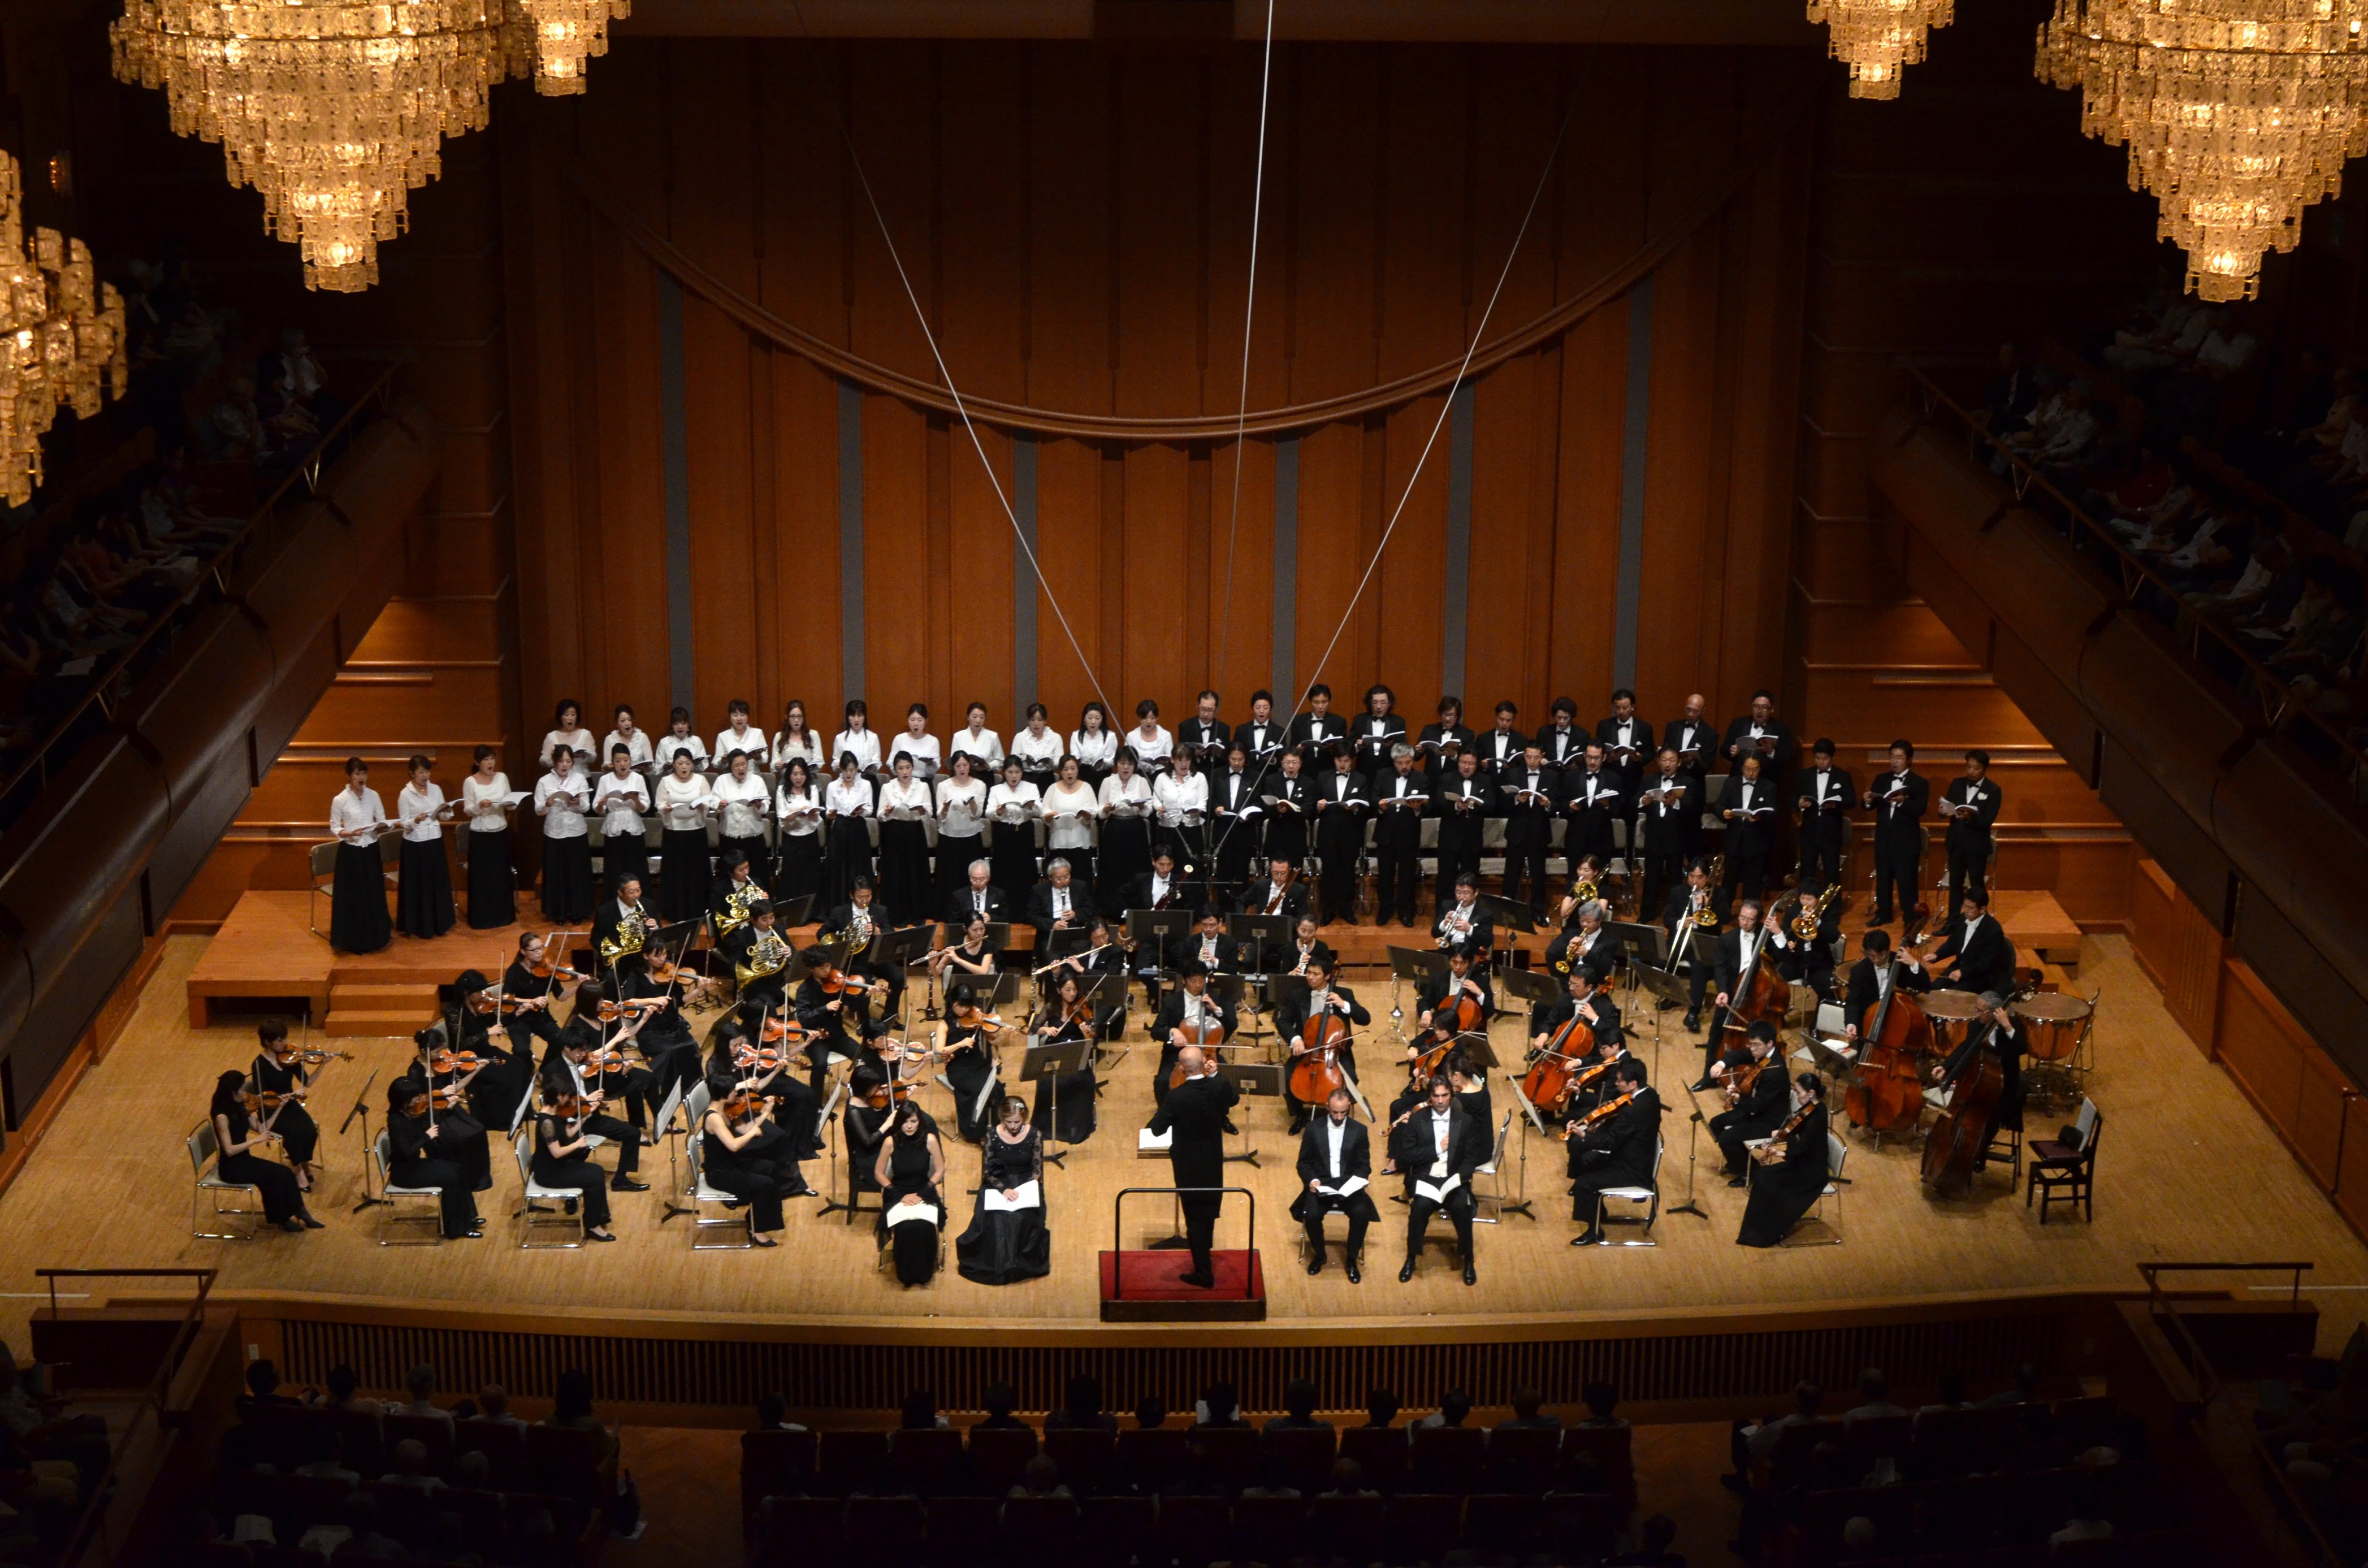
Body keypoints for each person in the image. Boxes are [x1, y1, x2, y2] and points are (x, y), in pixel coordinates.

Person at [1147, 1042, 1240, 1287]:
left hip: (1187, 1165)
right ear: (1203, 1064)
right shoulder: (1219, 1085)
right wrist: (1216, 1074)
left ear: (1181, 1068)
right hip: (1212, 1161)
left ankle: (1204, 1272)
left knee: (1194, 1218)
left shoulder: (1176, 1096)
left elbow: (1156, 1130)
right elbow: (1234, 1098)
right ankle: (1204, 1259)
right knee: (1208, 1212)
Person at [1388, 1075, 1485, 1285]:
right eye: (1436, 1096)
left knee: (1462, 1208)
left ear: (1451, 1095)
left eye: (1445, 1096)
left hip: (1454, 1179)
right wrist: (1437, 1148)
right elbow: (1407, 1156)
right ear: (1430, 1097)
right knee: (1419, 1210)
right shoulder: (1417, 1119)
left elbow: (1471, 1158)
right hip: (1427, 1179)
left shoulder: (1465, 1121)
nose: (1441, 1101)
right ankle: (1411, 1257)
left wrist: (1460, 1178)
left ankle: (1468, 1258)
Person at [207, 1069, 321, 1232]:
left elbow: (263, 1128)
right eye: (243, 1089)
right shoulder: (222, 1117)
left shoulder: (241, 1107)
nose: (246, 1092)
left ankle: (296, 1214)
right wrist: (255, 1141)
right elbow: (229, 1150)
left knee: (284, 1173)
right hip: (232, 1168)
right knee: (275, 1175)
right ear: (233, 1092)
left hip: (245, 1161)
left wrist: (280, 1106)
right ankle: (287, 1217)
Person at [956, 1095, 1051, 1285]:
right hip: (998, 1184)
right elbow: (987, 1172)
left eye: (1017, 1122)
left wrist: (1023, 1190)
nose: (1014, 1126)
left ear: (1024, 1117)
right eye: (1009, 1122)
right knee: (999, 1218)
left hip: (1025, 1184)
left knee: (1021, 1217)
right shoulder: (992, 1136)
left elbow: (1037, 1170)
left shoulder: (1035, 1135)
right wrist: (1004, 1190)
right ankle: (1001, 1266)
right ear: (1002, 1118)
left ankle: (1019, 1266)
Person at [1566, 1060, 1659, 1246]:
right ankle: (1599, 1211)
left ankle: (1594, 1231)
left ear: (1633, 1084)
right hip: (1640, 1158)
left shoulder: (1632, 1111)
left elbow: (1610, 1142)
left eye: (1620, 1081)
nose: (1617, 1084)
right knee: (1586, 1161)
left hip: (1631, 1170)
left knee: (1584, 1183)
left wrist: (1584, 1134)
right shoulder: (1652, 1096)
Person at [1292, 1088, 1377, 1281]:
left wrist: (1358, 1181)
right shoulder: (1314, 1129)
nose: (1339, 1117)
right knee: (1312, 1215)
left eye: (1343, 1112)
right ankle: (1320, 1256)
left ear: (1349, 1107)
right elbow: (1303, 1163)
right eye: (1334, 1112)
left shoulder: (1359, 1130)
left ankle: (1351, 1259)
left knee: (1361, 1214)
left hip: (1348, 1185)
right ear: (1327, 1107)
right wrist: (1312, 1181)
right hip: (1323, 1183)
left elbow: (1364, 1166)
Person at [1737, 1072, 1830, 1248]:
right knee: (1762, 1177)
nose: (1796, 1095)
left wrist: (1778, 1153)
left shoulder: (1817, 1116)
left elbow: (1803, 1147)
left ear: (1811, 1093)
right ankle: (1758, 1228)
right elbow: (1795, 1134)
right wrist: (1777, 1141)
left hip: (1811, 1171)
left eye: (1799, 1092)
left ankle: (1767, 1231)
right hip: (1802, 1161)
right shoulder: (1810, 1108)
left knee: (1767, 1182)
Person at [1276, 958, 1369, 1132]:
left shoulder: (1345, 994)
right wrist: (1296, 1039)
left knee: (1350, 1079)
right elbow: (1283, 1022)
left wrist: (1344, 1005)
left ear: (1327, 976)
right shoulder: (1298, 995)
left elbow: (1365, 1019)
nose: (1310, 977)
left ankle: (1338, 1114)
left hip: (1336, 1054)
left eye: (1316, 974)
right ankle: (1300, 1115)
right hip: (1307, 1051)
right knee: (1286, 1077)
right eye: (1309, 972)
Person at [385, 1077, 483, 1240]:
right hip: (405, 1173)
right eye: (415, 1097)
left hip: (414, 1166)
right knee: (451, 1178)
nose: (420, 1099)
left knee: (458, 1168)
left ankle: (468, 1218)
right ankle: (456, 1228)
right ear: (403, 1100)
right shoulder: (396, 1121)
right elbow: (407, 1152)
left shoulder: (409, 1113)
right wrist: (426, 1137)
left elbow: (429, 1126)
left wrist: (447, 1109)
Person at [700, 1085, 789, 1246]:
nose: (737, 1093)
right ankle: (757, 1231)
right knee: (765, 1185)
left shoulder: (727, 1109)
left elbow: (747, 1128)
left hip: (732, 1164)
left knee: (771, 1168)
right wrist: (752, 1134)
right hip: (720, 1173)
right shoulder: (714, 1118)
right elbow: (734, 1145)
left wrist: (766, 1112)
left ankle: (756, 1218)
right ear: (723, 1094)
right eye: (733, 1091)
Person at [876, 1099, 946, 1287]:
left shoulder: (929, 1139)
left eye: (914, 1121)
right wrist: (899, 1195)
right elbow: (879, 1173)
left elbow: (940, 1170)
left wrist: (924, 1191)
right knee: (906, 1228)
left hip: (924, 1189)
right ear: (899, 1122)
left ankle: (925, 1273)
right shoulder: (890, 1142)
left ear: (920, 1121)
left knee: (923, 1226)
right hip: (898, 1191)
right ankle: (906, 1274)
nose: (909, 1126)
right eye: (906, 1122)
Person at [1709, 1023, 1789, 1184]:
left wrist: (1738, 1099)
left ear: (1770, 1044)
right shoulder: (1762, 1055)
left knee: (1727, 1139)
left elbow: (1759, 1105)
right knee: (1716, 1123)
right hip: (1754, 1110)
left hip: (1768, 1120)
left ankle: (1750, 1173)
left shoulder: (1775, 1072)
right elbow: (1738, 1056)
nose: (1752, 1049)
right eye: (1750, 1044)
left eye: (1756, 1045)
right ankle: (1741, 1162)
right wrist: (1720, 1065)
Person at [328, 756, 393, 953]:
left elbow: (382, 820)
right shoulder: (340, 799)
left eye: (364, 773)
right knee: (354, 897)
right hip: (351, 852)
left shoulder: (374, 795)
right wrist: (348, 833)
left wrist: (382, 826)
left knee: (373, 893)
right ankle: (353, 941)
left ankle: (377, 937)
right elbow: (334, 826)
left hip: (371, 849)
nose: (361, 777)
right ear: (349, 776)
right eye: (357, 773)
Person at [248, 1020, 321, 1193]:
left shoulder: (291, 1058)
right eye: (280, 1041)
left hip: (290, 1105)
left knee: (310, 1130)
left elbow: (307, 1082)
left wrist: (323, 1065)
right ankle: (299, 1172)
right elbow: (262, 1096)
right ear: (267, 1042)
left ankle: (303, 1163)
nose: (284, 1044)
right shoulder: (259, 1065)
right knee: (294, 1133)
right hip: (271, 1110)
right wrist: (281, 1098)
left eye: (284, 1039)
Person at [1029, 971, 1101, 1143]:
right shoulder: (1051, 1007)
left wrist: (1086, 1034)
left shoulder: (1082, 1008)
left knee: (1083, 1081)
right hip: (1054, 1052)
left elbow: (1094, 1041)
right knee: (1047, 1083)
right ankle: (1048, 1127)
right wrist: (1045, 1030)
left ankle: (1074, 1126)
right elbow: (1032, 1029)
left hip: (1075, 1052)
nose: (1072, 994)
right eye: (1068, 990)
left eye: (1074, 989)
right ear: (1059, 990)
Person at [1151, 961, 1236, 1107]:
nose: (1198, 985)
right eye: (1193, 981)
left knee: (1224, 1080)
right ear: (1184, 981)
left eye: (1202, 980)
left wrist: (1216, 1010)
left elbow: (1232, 1025)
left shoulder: (1215, 999)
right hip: (1177, 1053)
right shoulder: (1171, 1001)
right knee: (1163, 1081)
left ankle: (1221, 1116)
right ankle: (1166, 1114)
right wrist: (1173, 1031)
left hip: (1208, 1053)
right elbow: (1156, 1031)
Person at [1863, 739, 1928, 926]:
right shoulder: (1881, 779)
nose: (1894, 761)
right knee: (1883, 877)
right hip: (1884, 838)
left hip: (1906, 841)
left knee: (1907, 879)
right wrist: (1868, 800)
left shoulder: (1919, 783)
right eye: (1892, 757)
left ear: (1909, 760)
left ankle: (1911, 915)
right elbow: (1870, 805)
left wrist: (1902, 802)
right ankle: (1884, 912)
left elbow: (1920, 809)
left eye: (1899, 757)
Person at [394, 753, 456, 938]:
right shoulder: (405, 794)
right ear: (412, 773)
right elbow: (404, 822)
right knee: (419, 885)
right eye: (421, 772)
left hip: (435, 841)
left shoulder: (436, 789)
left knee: (436, 883)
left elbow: (443, 815)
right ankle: (419, 925)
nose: (425, 776)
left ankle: (439, 923)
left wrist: (447, 812)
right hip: (416, 845)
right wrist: (416, 820)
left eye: (427, 771)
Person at [534, 744, 596, 924]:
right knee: (556, 874)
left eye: (569, 761)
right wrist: (547, 803)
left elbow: (586, 807)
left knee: (576, 874)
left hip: (576, 831)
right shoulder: (545, 781)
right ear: (555, 762)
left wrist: (576, 802)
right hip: (554, 832)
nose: (565, 765)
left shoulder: (579, 779)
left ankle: (578, 912)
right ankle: (559, 913)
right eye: (561, 761)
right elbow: (538, 811)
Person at [653, 747, 716, 923]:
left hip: (695, 834)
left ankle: (699, 910)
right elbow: (659, 804)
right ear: (674, 765)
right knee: (677, 873)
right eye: (680, 763)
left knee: (696, 873)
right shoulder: (666, 781)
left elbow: (708, 802)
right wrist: (665, 809)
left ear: (692, 764)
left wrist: (702, 806)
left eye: (688, 763)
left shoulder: (701, 780)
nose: (684, 767)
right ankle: (675, 911)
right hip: (674, 834)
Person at [1369, 743, 1428, 926]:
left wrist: (1418, 809)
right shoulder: (1383, 775)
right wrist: (1380, 806)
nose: (1404, 766)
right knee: (1385, 876)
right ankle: (1385, 910)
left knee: (1407, 877)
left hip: (1408, 835)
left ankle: (1406, 912)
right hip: (1386, 834)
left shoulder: (1421, 779)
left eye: (1408, 762)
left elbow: (1430, 805)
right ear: (1394, 762)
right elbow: (1373, 798)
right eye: (1400, 763)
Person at [1663, 860, 1726, 1032]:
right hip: (1682, 940)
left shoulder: (1717, 894)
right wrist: (1680, 923)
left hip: (1703, 945)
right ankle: (1672, 995)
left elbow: (1723, 921)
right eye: (1691, 876)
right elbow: (1667, 918)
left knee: (1699, 966)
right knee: (1662, 956)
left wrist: (1707, 905)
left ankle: (1693, 1013)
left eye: (1700, 877)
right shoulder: (1678, 892)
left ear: (1707, 878)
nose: (1695, 882)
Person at [460, 743, 517, 928]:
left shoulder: (502, 778)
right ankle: (483, 919)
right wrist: (480, 806)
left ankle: (503, 916)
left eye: (492, 759)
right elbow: (468, 810)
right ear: (478, 763)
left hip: (500, 832)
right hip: (481, 835)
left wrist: (511, 804)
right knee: (483, 878)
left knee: (500, 876)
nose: (491, 763)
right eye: (486, 760)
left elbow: (511, 803)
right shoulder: (470, 782)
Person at [1940, 749, 2003, 911]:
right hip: (1956, 843)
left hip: (1976, 846)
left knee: (1976, 886)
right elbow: (1949, 807)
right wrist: (1943, 811)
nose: (1971, 771)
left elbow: (1987, 821)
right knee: (1955, 884)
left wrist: (1970, 818)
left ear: (1984, 769)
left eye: (1976, 768)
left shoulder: (1993, 790)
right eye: (1968, 767)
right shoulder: (1957, 783)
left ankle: (1979, 921)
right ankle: (1953, 921)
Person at [1313, 743, 1370, 922]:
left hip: (1350, 834)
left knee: (1347, 873)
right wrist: (1319, 806)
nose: (1343, 764)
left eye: (1346, 760)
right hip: (1328, 834)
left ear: (1351, 761)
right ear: (1334, 760)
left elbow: (1367, 807)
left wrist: (1355, 808)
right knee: (1328, 873)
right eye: (1339, 760)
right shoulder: (1323, 777)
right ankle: (1328, 910)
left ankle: (1347, 910)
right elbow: (1313, 803)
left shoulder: (1360, 779)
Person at [1498, 743, 1557, 917]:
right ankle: (1508, 912)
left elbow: (1559, 803)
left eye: (1536, 757)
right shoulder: (1512, 774)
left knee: (1539, 877)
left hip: (1539, 833)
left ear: (1543, 756)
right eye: (1529, 757)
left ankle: (1538, 913)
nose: (1532, 761)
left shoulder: (1552, 777)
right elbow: (1502, 803)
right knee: (1511, 875)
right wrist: (1516, 800)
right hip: (1517, 832)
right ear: (1524, 756)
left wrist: (1548, 805)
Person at [1794, 738, 1853, 896]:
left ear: (1833, 758)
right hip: (1809, 831)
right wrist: (1801, 803)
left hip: (1831, 831)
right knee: (1807, 871)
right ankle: (1805, 906)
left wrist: (1835, 805)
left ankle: (1833, 908)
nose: (1821, 762)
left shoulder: (1842, 776)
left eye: (1825, 759)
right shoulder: (1805, 775)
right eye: (1818, 758)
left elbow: (1851, 801)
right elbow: (1793, 799)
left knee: (1832, 871)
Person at [1928, 892, 2014, 997]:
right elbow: (1953, 942)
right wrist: (1937, 955)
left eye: (1970, 908)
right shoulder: (1962, 919)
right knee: (1933, 990)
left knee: (1951, 997)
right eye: (1965, 906)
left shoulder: (1993, 930)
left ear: (1982, 909)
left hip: (1981, 977)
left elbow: (1987, 963)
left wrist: (1963, 972)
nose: (1966, 911)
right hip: (1960, 967)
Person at [1718, 753, 1778, 904]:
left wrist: (1760, 817)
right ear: (1741, 768)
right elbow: (1719, 804)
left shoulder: (1769, 786)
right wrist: (1723, 812)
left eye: (1755, 769)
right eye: (1747, 769)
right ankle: (1724, 914)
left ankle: (1750, 918)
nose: (1751, 773)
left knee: (1752, 884)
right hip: (1734, 840)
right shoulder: (1731, 783)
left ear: (1760, 769)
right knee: (1729, 881)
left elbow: (1774, 813)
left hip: (1756, 842)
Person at [1432, 750, 1491, 905]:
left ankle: (1468, 917)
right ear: (1458, 763)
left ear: (1476, 765)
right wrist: (1457, 807)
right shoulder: (1446, 779)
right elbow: (1439, 802)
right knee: (1445, 878)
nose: (1467, 767)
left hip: (1473, 839)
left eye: (1471, 764)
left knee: (1471, 880)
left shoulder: (1485, 781)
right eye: (1464, 763)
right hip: (1450, 838)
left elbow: (1492, 804)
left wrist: (1474, 805)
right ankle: (1442, 916)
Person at [935, 752, 989, 897]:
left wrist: (972, 804)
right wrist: (946, 808)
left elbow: (978, 814)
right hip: (949, 837)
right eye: (958, 766)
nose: (962, 769)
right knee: (950, 875)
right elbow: (939, 815)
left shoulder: (979, 785)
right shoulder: (943, 786)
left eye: (965, 765)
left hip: (971, 838)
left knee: (971, 873)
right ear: (953, 767)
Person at [773, 757, 825, 904]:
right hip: (791, 838)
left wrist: (809, 812)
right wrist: (796, 813)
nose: (798, 778)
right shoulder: (782, 791)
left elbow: (816, 812)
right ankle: (792, 910)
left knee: (810, 874)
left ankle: (811, 911)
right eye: (795, 774)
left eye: (802, 774)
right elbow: (781, 816)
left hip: (809, 838)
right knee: (792, 875)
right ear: (789, 775)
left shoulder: (813, 789)